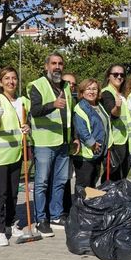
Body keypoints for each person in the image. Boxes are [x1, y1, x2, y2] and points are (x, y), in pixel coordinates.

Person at [28, 53, 74, 237]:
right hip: (45, 142)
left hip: (63, 141)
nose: (57, 67)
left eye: (60, 63)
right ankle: (41, 219)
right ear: (46, 66)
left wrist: (75, 138)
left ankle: (56, 215)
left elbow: (70, 114)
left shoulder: (65, 86)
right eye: (53, 63)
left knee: (60, 181)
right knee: (42, 183)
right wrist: (53, 104)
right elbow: (35, 110)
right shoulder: (37, 85)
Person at [0, 66, 32, 246]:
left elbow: (25, 121)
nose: (11, 81)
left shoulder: (22, 101)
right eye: (6, 78)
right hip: (0, 155)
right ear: (0, 82)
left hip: (16, 153)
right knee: (2, 192)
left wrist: (27, 127)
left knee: (13, 192)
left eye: (13, 78)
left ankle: (10, 223)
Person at [73, 79, 112, 188]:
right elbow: (82, 130)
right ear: (82, 92)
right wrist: (92, 144)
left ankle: (89, 205)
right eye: (88, 89)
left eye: (94, 89)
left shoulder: (99, 106)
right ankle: (80, 205)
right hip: (86, 154)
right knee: (84, 186)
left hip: (97, 153)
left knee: (92, 184)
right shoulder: (81, 107)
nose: (91, 92)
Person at [100, 64, 130, 181]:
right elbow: (112, 113)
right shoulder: (106, 93)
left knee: (122, 173)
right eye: (115, 74)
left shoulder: (121, 94)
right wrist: (117, 107)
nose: (119, 77)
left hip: (124, 139)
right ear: (108, 76)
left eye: (122, 75)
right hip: (114, 141)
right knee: (112, 174)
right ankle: (107, 197)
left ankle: (117, 197)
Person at [61, 72, 77, 215]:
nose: (71, 86)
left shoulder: (73, 101)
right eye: (67, 83)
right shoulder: (58, 100)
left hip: (68, 145)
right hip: (54, 144)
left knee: (66, 178)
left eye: (73, 84)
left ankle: (66, 208)